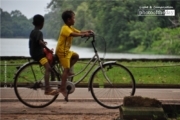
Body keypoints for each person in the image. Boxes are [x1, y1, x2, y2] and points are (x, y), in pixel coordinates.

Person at [55, 10, 93, 99]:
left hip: (66, 51)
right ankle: (62, 88)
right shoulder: (65, 28)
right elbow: (72, 34)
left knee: (76, 56)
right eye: (73, 18)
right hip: (62, 51)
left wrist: (87, 32)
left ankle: (66, 73)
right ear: (68, 20)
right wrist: (84, 35)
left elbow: (79, 32)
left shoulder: (70, 27)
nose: (74, 19)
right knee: (66, 68)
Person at [29, 14, 59, 95]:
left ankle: (52, 80)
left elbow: (36, 42)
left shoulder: (33, 32)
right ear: (41, 23)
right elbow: (40, 42)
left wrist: (43, 43)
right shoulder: (39, 32)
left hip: (33, 53)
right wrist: (48, 49)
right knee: (48, 68)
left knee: (51, 63)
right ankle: (47, 89)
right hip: (39, 55)